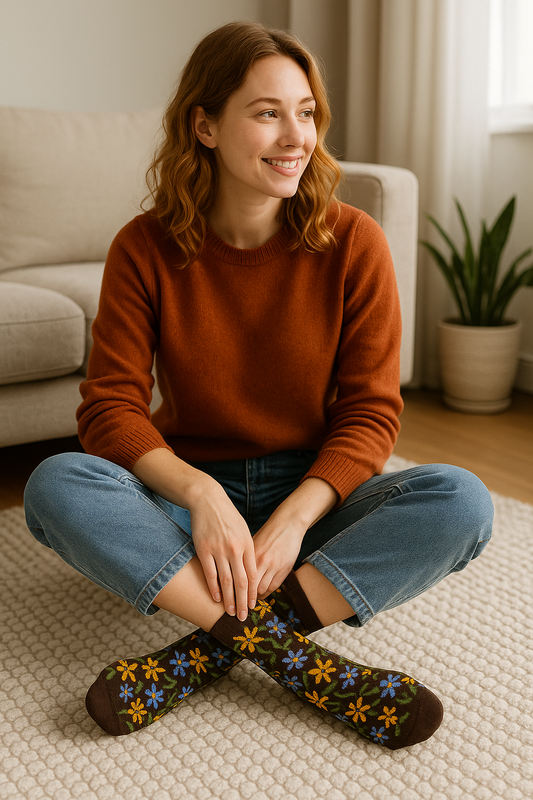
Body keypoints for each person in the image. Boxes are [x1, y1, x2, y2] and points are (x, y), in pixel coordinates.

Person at [24, 21, 493, 750]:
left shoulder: (354, 243)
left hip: (309, 494)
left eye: (305, 112)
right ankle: (288, 654)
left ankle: (215, 649)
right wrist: (201, 494)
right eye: (268, 112)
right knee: (56, 485)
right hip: (182, 499)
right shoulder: (143, 248)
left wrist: (296, 519)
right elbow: (109, 409)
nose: (296, 136)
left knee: (461, 500)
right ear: (204, 126)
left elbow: (370, 415)